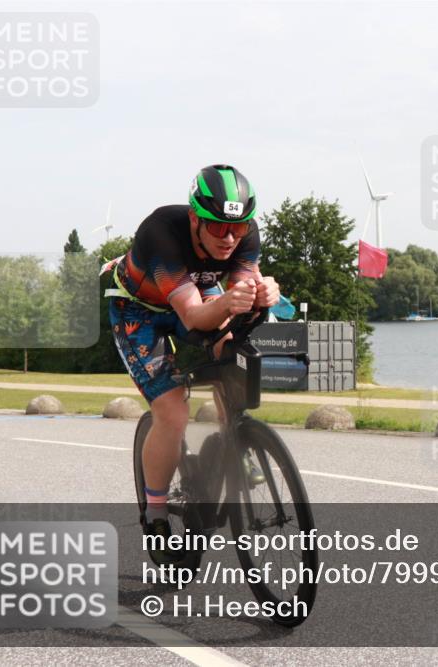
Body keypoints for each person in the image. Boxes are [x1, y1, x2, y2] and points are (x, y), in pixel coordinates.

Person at [105, 164, 280, 562]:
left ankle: (236, 439)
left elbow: (242, 290)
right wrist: (226, 301)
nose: (230, 238)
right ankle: (155, 511)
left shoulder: (244, 234)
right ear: (194, 218)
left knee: (231, 349)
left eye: (237, 228)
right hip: (140, 311)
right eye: (218, 228)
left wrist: (265, 291)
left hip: (197, 297)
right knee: (172, 412)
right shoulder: (161, 233)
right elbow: (192, 317)